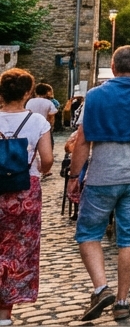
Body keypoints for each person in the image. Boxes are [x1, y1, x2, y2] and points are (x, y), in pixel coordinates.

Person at [68, 46, 130, 322]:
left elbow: (83, 141)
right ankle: (122, 301)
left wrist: (74, 177)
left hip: (102, 175)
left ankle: (101, 288)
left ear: (112, 68)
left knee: (89, 234)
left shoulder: (94, 96)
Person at [0, 69, 54, 326]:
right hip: (25, 192)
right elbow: (48, 160)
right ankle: (4, 313)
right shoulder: (37, 122)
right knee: (19, 249)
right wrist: (39, 169)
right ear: (27, 93)